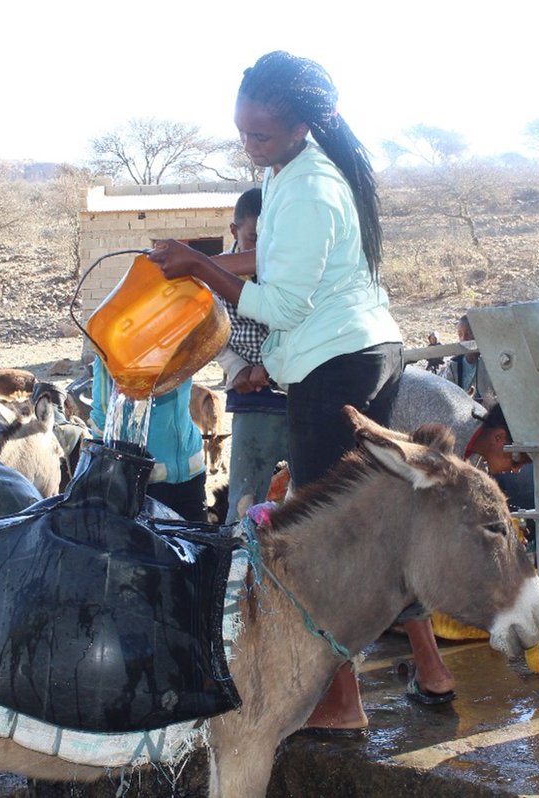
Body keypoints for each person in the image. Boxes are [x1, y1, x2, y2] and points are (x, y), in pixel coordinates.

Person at [150, 50, 404, 735]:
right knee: (363, 521)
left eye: (261, 136)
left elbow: (282, 303)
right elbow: (270, 257)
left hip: (338, 364)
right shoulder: (298, 171)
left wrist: (202, 264)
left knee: (320, 534)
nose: (249, 146)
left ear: (299, 127)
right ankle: (383, 680)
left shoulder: (310, 184)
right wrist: (191, 267)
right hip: (359, 352)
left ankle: (338, 699)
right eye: (242, 132)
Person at [390, 366, 530, 704]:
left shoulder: (474, 439)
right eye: (520, 456)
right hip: (377, 420)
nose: (519, 467)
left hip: (405, 433)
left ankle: (430, 668)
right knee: (408, 553)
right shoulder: (446, 432)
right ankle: (431, 671)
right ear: (499, 438)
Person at [214, 188, 289, 523]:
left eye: (269, 241)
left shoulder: (288, 271)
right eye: (252, 239)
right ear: (234, 231)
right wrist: (238, 368)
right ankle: (236, 569)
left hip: (297, 393)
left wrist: (270, 366)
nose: (260, 252)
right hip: (252, 400)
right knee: (244, 503)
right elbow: (211, 335)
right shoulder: (214, 275)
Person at [89, 357, 208, 524]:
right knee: (195, 545)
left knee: (187, 545)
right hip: (148, 478)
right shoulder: (111, 349)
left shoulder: (178, 338)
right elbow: (102, 421)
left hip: (187, 470)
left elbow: (101, 420)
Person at [435, 314, 496, 405]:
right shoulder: (453, 365)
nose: (464, 338)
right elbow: (445, 395)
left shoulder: (490, 364)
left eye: (468, 334)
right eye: (460, 334)